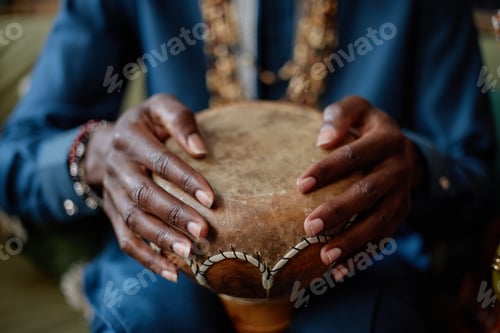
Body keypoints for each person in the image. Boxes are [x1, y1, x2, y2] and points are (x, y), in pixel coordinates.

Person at [0, 0, 496, 332]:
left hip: (361, 257)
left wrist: (414, 165)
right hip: (169, 249)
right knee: (145, 317)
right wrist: (97, 154)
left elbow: (476, 172)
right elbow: (16, 159)